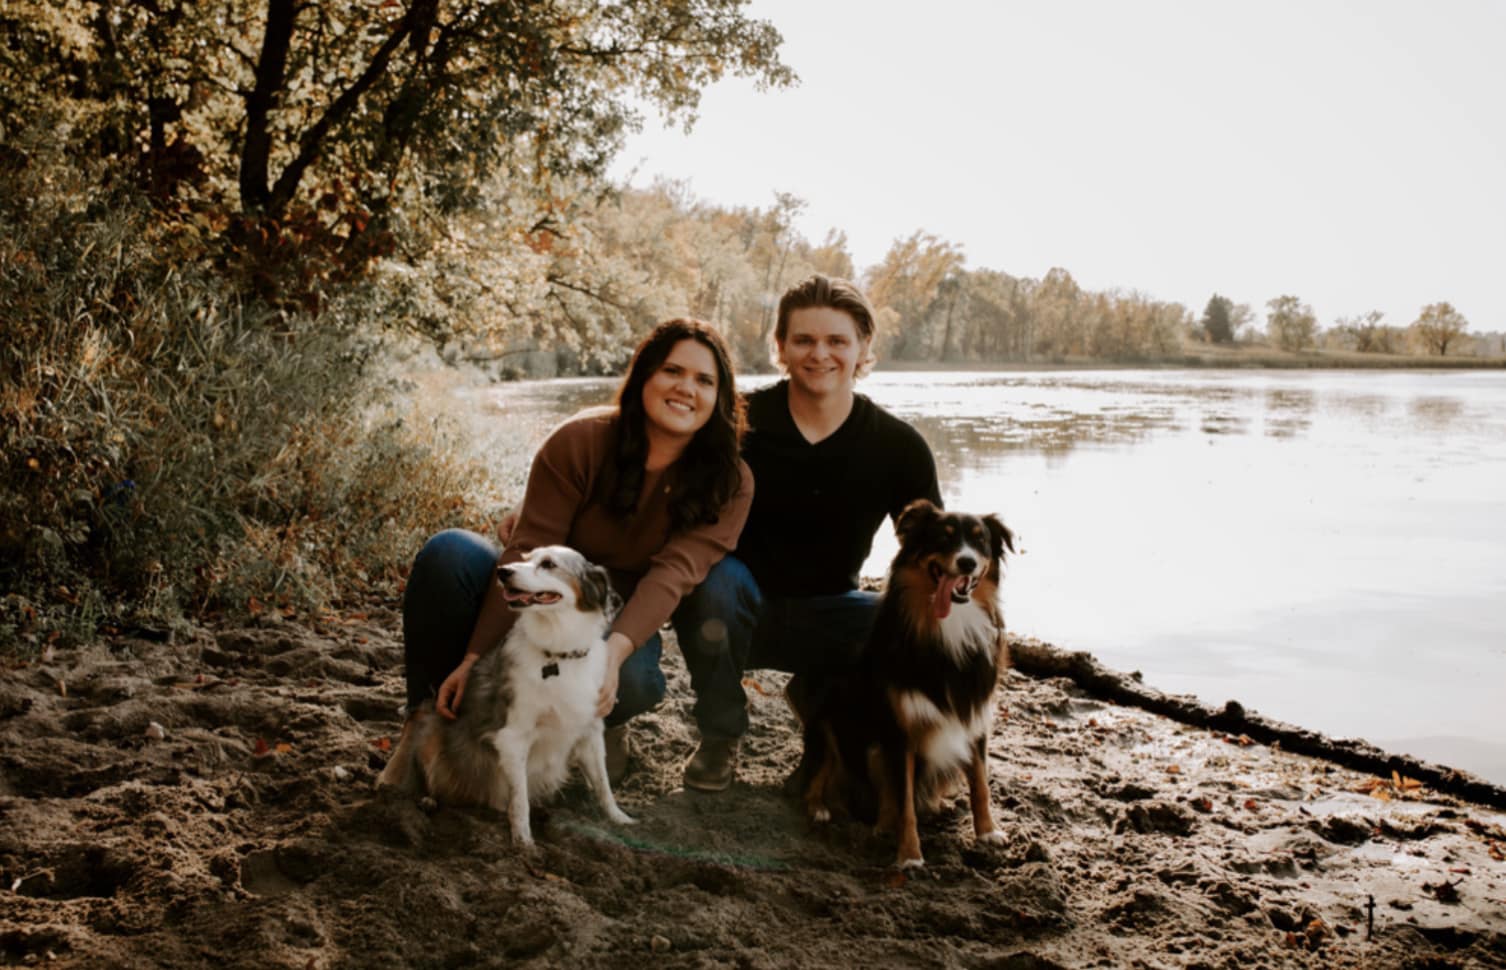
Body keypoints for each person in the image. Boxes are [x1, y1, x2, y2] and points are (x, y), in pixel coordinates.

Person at [400, 318, 753, 783]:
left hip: (601, 619)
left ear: (720, 397)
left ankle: (600, 729)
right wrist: (472, 657)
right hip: (535, 591)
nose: (686, 388)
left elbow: (672, 574)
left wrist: (611, 656)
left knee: (634, 682)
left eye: (705, 380)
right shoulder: (580, 440)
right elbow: (526, 544)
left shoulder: (730, 482)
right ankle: (421, 726)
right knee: (449, 554)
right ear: (644, 375)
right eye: (672, 371)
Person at [674, 274, 942, 792]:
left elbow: (929, 554)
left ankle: (823, 724)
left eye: (837, 341)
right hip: (736, 608)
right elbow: (659, 469)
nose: (820, 354)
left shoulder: (899, 446)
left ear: (863, 346)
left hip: (832, 611)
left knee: (903, 624)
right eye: (804, 340)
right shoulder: (736, 424)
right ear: (781, 346)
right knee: (714, 581)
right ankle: (720, 735)